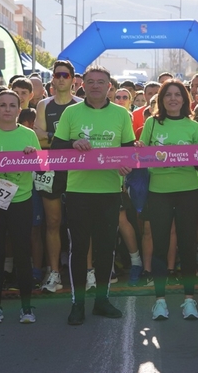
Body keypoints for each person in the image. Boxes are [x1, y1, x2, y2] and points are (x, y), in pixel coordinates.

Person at [52, 65, 135, 325]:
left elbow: (129, 150)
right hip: (78, 192)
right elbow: (56, 149)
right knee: (79, 249)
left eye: (101, 82)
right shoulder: (71, 112)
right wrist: (73, 143)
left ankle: (101, 300)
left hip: (109, 191)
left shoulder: (122, 114)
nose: (96, 85)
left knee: (105, 248)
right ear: (82, 85)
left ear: (109, 86)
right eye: (91, 81)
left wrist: (127, 165)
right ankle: (78, 304)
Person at [138, 80, 198, 320]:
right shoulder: (152, 123)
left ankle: (189, 300)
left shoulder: (193, 127)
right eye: (168, 95)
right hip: (159, 192)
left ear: (185, 99)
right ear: (161, 100)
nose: (173, 99)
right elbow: (141, 155)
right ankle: (160, 300)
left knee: (187, 245)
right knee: (160, 246)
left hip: (188, 191)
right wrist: (139, 148)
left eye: (178, 95)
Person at [0, 90, 41, 324]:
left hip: (21, 201)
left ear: (19, 109)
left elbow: (41, 168)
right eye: (2, 105)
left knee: (22, 254)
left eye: (12, 106)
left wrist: (33, 156)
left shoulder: (29, 134)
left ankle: (26, 307)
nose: (6, 109)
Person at [34, 60, 82, 293]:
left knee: (81, 225)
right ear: (52, 79)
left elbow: (86, 141)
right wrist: (67, 141)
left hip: (78, 171)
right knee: (52, 222)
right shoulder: (44, 104)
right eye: (57, 75)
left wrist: (54, 138)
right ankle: (53, 273)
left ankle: (87, 271)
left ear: (73, 79)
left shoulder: (82, 104)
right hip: (50, 169)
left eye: (65, 75)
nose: (61, 79)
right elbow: (38, 138)